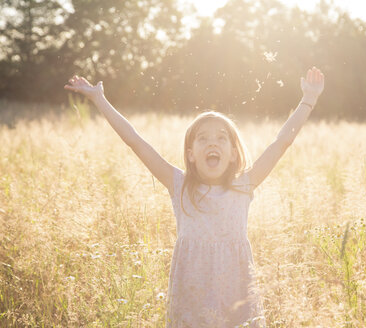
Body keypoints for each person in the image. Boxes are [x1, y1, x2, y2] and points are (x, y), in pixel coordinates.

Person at [64, 67, 324, 327]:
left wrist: (308, 99)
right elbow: (135, 141)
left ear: (233, 154)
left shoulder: (244, 185)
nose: (212, 143)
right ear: (190, 154)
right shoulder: (178, 184)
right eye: (203, 139)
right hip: (192, 295)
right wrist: (99, 99)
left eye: (222, 138)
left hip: (237, 292)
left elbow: (281, 143)